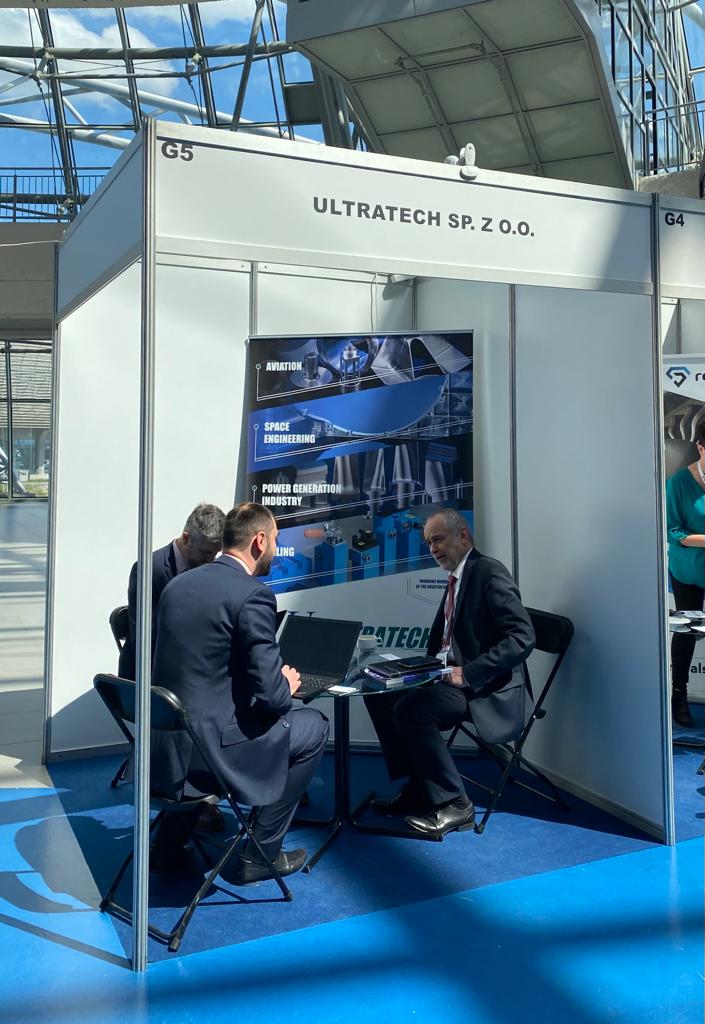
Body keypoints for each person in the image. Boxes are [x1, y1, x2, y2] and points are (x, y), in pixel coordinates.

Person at [150, 503, 329, 882]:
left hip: (167, 748)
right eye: (275, 540)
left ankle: (167, 844)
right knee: (314, 726)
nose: (276, 550)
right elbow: (274, 699)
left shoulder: (177, 586)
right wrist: (286, 684)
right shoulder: (253, 594)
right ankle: (260, 855)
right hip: (214, 753)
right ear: (259, 541)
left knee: (205, 717)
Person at [365, 508, 535, 838]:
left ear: (463, 536)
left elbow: (522, 638)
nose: (433, 549)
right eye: (429, 543)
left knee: (412, 709)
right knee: (380, 693)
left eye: (439, 540)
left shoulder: (488, 572)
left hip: (483, 687)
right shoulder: (458, 576)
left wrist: (468, 673)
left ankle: (456, 804)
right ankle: (419, 787)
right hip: (446, 676)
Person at [119, 502, 225, 681]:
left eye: (214, 554)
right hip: (149, 675)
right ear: (185, 538)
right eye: (204, 552)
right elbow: (144, 637)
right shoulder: (148, 570)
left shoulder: (208, 569)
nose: (210, 560)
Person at [666, 420, 705, 728]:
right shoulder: (678, 482)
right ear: (700, 448)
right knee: (687, 632)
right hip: (688, 569)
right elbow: (673, 531)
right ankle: (678, 694)